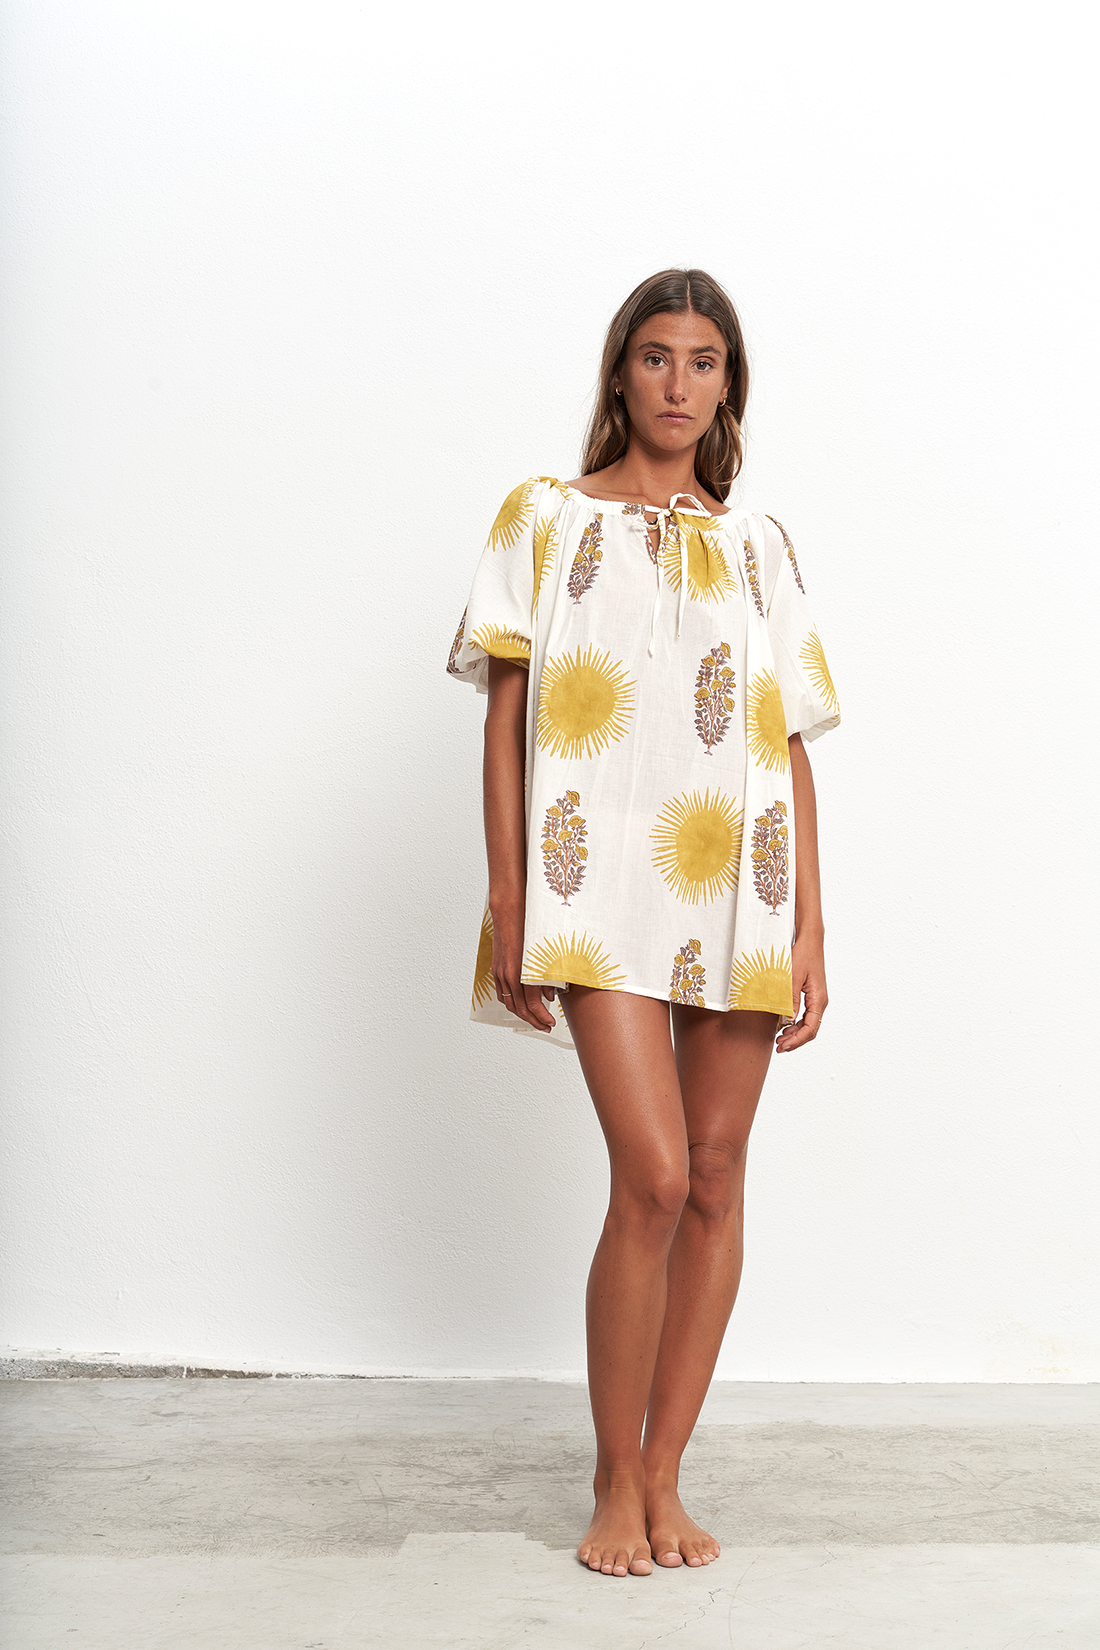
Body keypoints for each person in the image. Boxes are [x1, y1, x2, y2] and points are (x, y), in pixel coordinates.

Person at [446, 268, 841, 1578]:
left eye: (705, 362)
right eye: (658, 356)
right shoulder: (544, 519)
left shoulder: (760, 545)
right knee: (656, 1178)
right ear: (621, 370)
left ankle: (667, 1468)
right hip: (594, 887)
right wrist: (510, 898)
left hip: (744, 891)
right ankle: (613, 1473)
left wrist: (812, 926)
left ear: (729, 387)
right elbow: (506, 721)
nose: (680, 383)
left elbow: (789, 743)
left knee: (717, 1178)